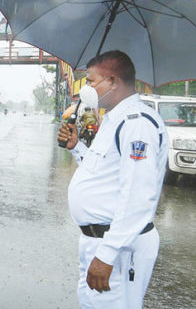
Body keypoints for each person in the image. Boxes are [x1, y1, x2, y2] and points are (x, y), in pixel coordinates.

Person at [57, 50, 169, 309]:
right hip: (98, 241)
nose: (87, 88)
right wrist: (76, 147)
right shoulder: (113, 119)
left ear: (113, 82)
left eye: (91, 81)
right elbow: (104, 174)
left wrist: (107, 255)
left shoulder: (137, 123)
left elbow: (139, 197)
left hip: (118, 247)